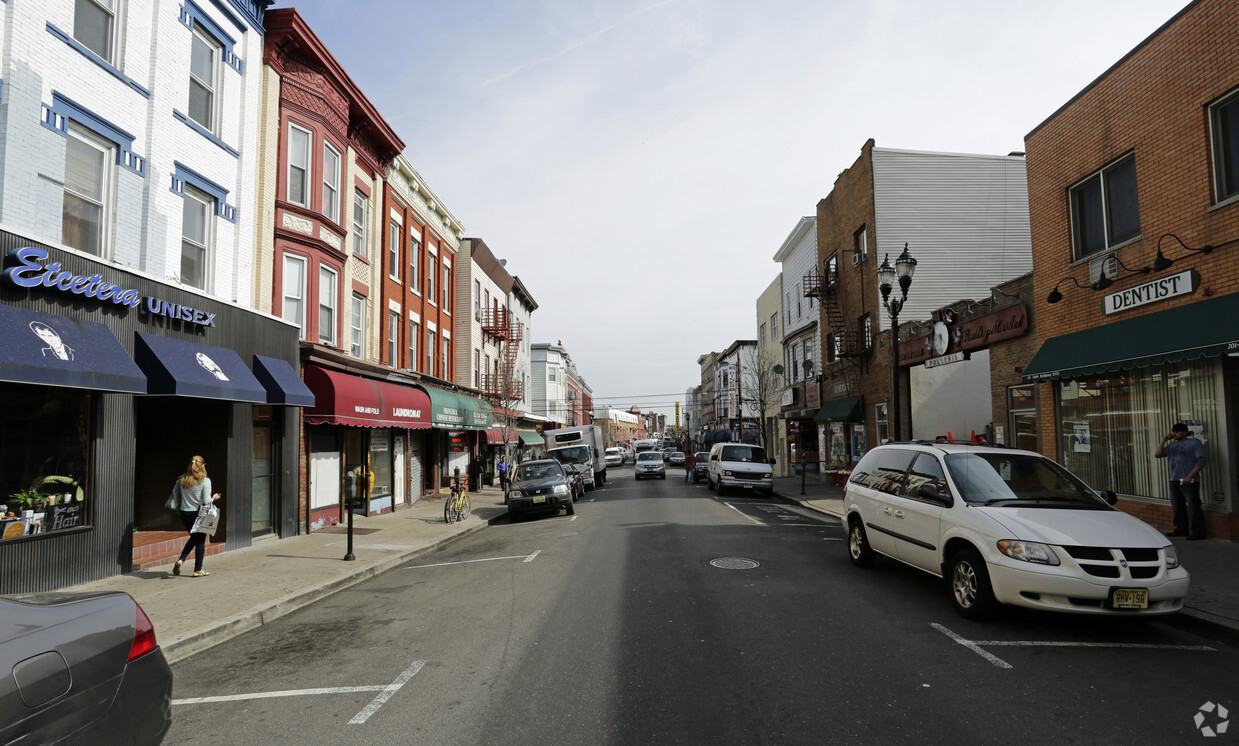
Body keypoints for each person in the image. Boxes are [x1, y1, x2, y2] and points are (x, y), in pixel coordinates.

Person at [169, 455, 221, 576]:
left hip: (184, 514)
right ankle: (197, 570)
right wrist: (214, 497)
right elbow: (206, 501)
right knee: (200, 540)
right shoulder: (205, 481)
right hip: (198, 514)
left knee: (194, 538)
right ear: (202, 465)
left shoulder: (183, 480)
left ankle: (181, 560)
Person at [1154, 423, 1206, 540]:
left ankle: (1198, 532)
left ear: (1184, 432)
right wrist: (1164, 440)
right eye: (1173, 431)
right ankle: (1181, 529)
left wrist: (1190, 476)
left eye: (1177, 431)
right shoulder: (1172, 445)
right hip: (1174, 479)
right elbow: (1157, 454)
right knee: (1177, 506)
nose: (1174, 433)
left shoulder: (1194, 443)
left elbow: (1201, 461)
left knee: (1193, 506)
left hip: (1189, 479)